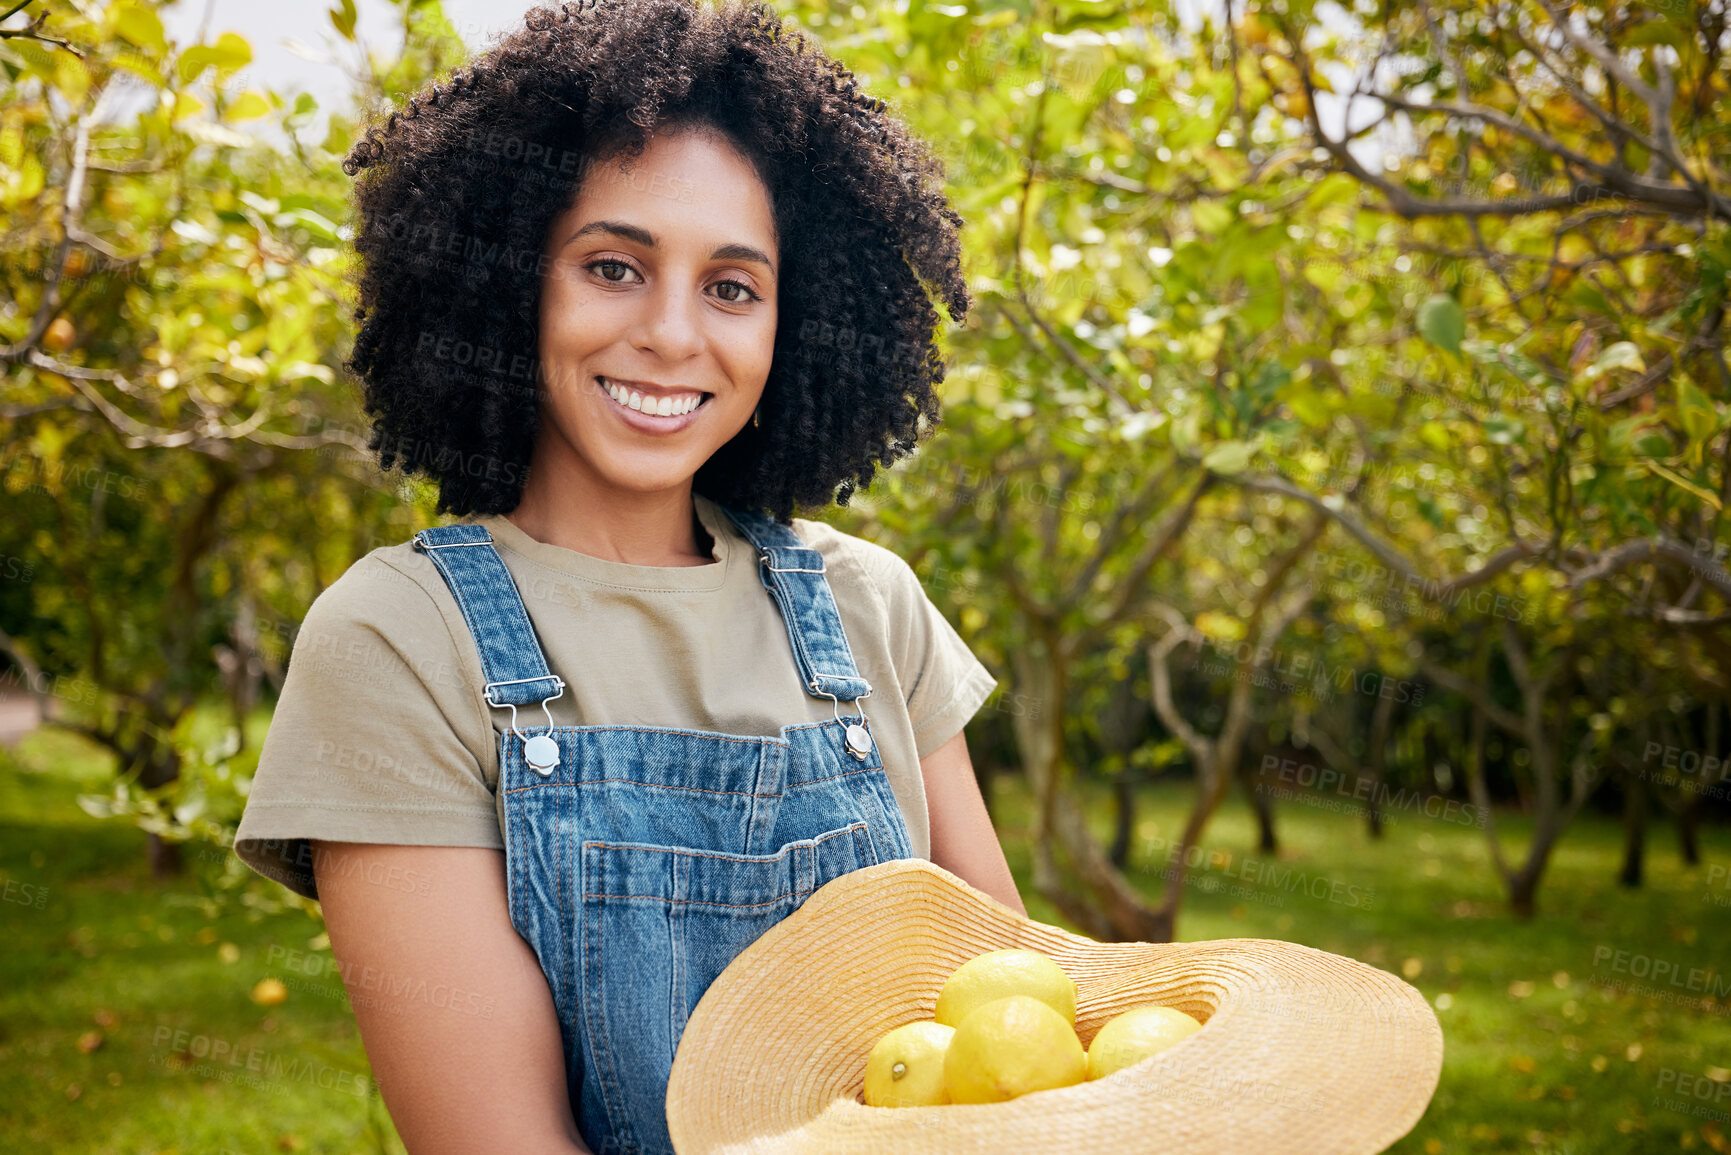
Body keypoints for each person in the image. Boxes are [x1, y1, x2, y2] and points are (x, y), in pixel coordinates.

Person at [233, 0, 1025, 1151]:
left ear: (787, 328)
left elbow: (1015, 1030)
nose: (670, 333)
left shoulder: (870, 605)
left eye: (732, 287)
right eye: (614, 266)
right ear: (512, 284)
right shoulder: (403, 641)